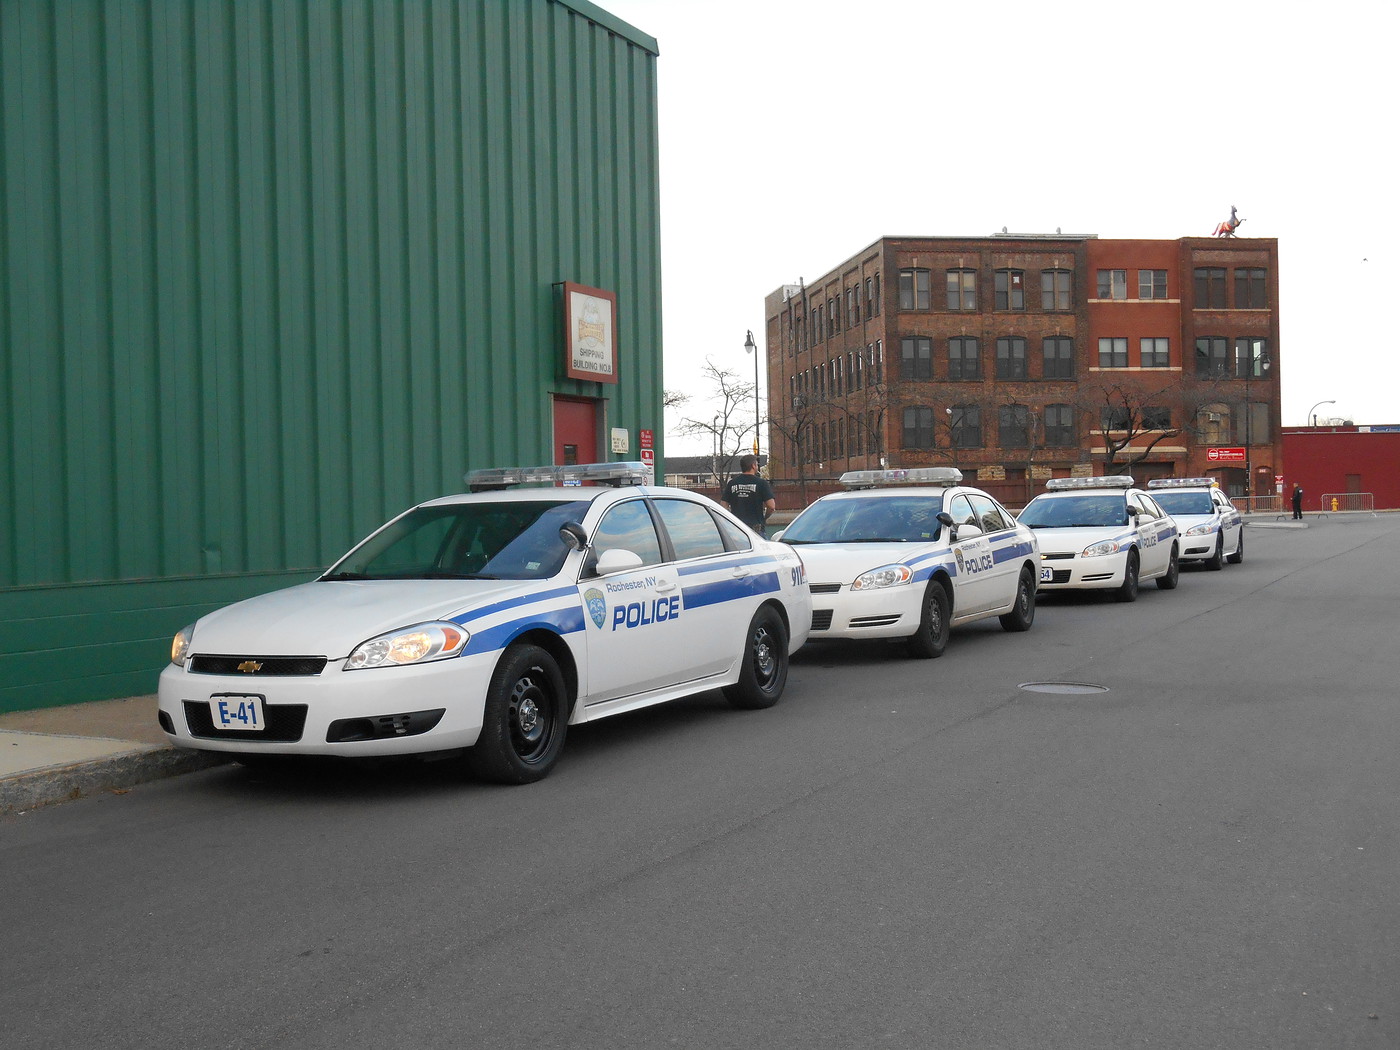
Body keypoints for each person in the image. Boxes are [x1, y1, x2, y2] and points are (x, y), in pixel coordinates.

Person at [721, 455, 776, 534]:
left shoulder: (732, 483)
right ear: (753, 466)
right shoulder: (761, 483)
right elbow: (771, 506)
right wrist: (764, 518)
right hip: (756, 529)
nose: (757, 466)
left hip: (737, 528)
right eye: (757, 464)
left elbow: (723, 505)